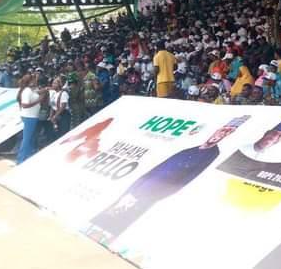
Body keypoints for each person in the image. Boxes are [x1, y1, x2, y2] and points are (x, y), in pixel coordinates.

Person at [87, 116, 250, 244]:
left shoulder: (212, 153)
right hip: (144, 182)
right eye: (221, 131)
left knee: (129, 214)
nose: (220, 135)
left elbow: (189, 178)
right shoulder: (191, 147)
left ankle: (107, 237)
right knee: (117, 205)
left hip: (155, 192)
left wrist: (161, 194)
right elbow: (161, 165)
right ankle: (93, 228)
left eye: (225, 133)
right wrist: (140, 181)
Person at [16, 73, 44, 164]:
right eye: (34, 79)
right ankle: (21, 159)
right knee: (27, 138)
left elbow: (37, 92)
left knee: (30, 137)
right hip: (29, 117)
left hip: (31, 116)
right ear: (30, 81)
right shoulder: (27, 91)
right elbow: (24, 105)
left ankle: (27, 156)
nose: (36, 81)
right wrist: (38, 100)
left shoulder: (30, 90)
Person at [47, 77, 71, 143]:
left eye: (55, 83)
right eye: (53, 83)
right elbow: (53, 106)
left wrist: (55, 116)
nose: (53, 85)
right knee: (57, 132)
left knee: (63, 133)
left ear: (59, 84)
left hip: (63, 114)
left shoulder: (63, 93)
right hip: (56, 114)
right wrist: (51, 116)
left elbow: (63, 106)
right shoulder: (54, 94)